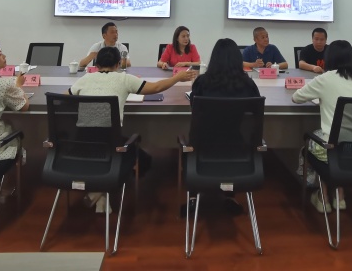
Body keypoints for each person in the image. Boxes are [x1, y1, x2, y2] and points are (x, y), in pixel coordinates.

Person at [69, 46, 196, 213]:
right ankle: (102, 189)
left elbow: (65, 96)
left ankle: (100, 194)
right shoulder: (124, 79)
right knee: (143, 159)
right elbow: (156, 88)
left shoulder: (85, 79)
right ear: (118, 64)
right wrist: (177, 78)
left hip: (82, 146)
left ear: (97, 64)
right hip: (111, 146)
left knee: (109, 148)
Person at [292, 40, 352, 213]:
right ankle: (340, 197)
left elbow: (296, 97)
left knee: (322, 142)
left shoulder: (325, 78)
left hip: (335, 148)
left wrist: (322, 97)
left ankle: (323, 198)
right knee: (331, 141)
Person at [188, 38, 261, 215]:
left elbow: (194, 108)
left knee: (190, 143)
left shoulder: (202, 82)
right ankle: (229, 195)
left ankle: (193, 196)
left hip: (204, 149)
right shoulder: (248, 84)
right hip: (238, 149)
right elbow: (255, 109)